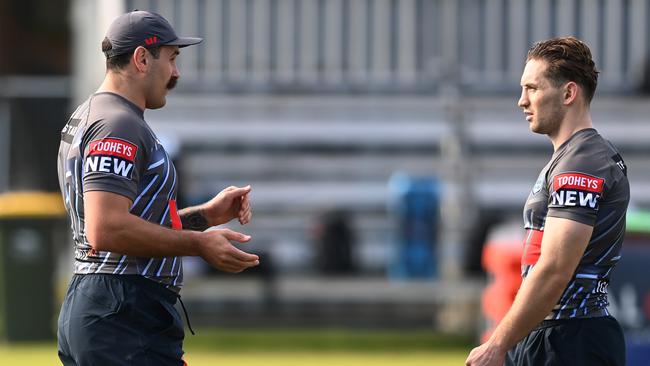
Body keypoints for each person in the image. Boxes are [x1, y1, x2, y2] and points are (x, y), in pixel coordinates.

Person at [56, 10, 260, 365]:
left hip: (110, 309)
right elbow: (106, 229)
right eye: (172, 58)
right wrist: (200, 245)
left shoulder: (99, 115)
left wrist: (205, 216)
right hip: (121, 315)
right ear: (141, 58)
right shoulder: (117, 125)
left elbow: (129, 224)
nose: (176, 72)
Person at [466, 36, 629, 366]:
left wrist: (497, 344)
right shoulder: (574, 158)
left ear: (569, 93)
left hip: (571, 339)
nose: (521, 101)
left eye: (532, 88)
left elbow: (555, 267)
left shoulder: (583, 162)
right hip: (557, 334)